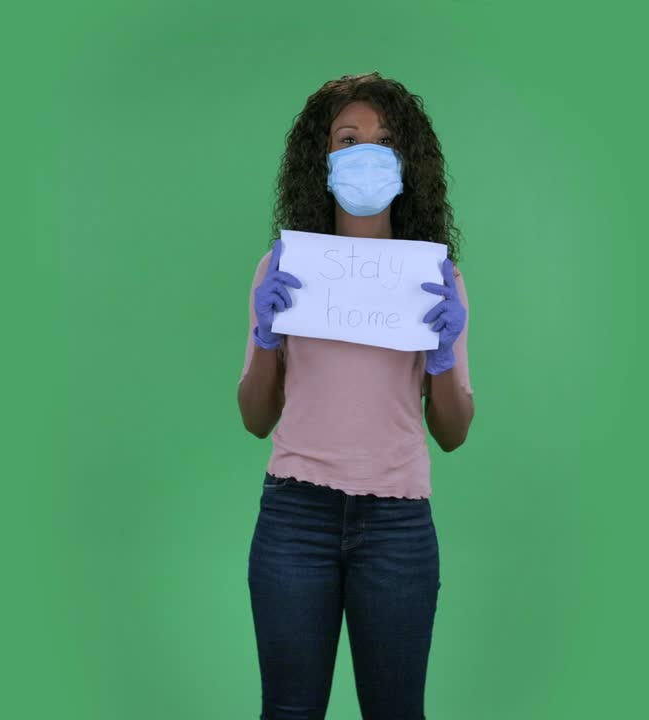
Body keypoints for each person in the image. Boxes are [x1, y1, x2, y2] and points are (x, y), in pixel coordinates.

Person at [238, 72, 474, 720]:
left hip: (397, 525)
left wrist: (443, 355)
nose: (366, 153)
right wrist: (265, 334)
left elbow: (453, 432)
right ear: (324, 158)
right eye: (349, 138)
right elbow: (255, 417)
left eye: (385, 141)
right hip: (295, 520)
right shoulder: (282, 269)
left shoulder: (435, 278)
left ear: (407, 163)